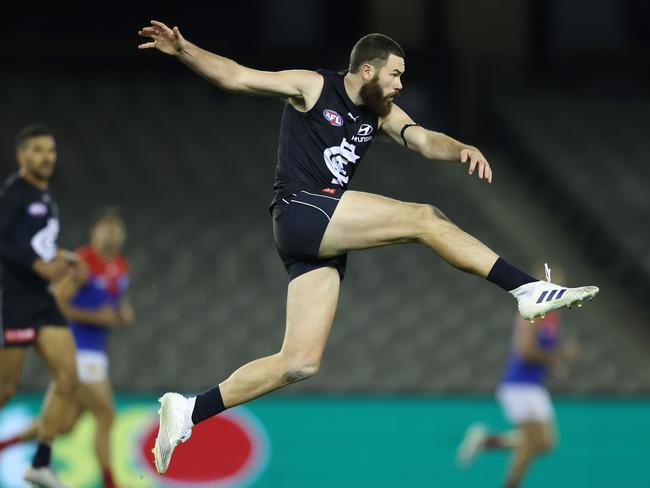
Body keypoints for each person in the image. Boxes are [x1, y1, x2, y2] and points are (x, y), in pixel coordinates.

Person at [137, 21, 599, 474]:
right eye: (395, 74)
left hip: (317, 237)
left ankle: (191, 409)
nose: (401, 84)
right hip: (302, 208)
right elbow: (235, 75)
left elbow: (422, 140)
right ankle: (524, 289)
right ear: (366, 71)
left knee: (299, 362)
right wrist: (184, 51)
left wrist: (460, 147)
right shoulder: (314, 86)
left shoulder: (380, 113)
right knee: (424, 218)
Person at [0, 208, 133, 488]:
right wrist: (99, 317)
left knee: (66, 424)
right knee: (106, 415)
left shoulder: (121, 266)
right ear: (93, 233)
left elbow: (112, 299)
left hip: (96, 352)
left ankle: (5, 444)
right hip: (77, 350)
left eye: (116, 228)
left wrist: (121, 313)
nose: (111, 232)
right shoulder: (83, 264)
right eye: (105, 227)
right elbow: (56, 304)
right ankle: (110, 483)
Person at [0, 124, 80, 488]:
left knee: (67, 378)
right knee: (6, 387)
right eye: (37, 150)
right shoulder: (15, 192)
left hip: (41, 299)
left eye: (50, 150)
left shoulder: (45, 197)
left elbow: (34, 242)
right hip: (14, 296)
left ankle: (40, 463)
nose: (46, 156)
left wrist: (63, 256)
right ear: (22, 156)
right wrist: (37, 266)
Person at [457, 265, 577, 488]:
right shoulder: (529, 312)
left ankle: (486, 441)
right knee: (532, 442)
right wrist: (558, 356)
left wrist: (553, 365)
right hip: (519, 387)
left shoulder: (551, 318)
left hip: (532, 387)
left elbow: (540, 354)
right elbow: (525, 350)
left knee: (546, 443)